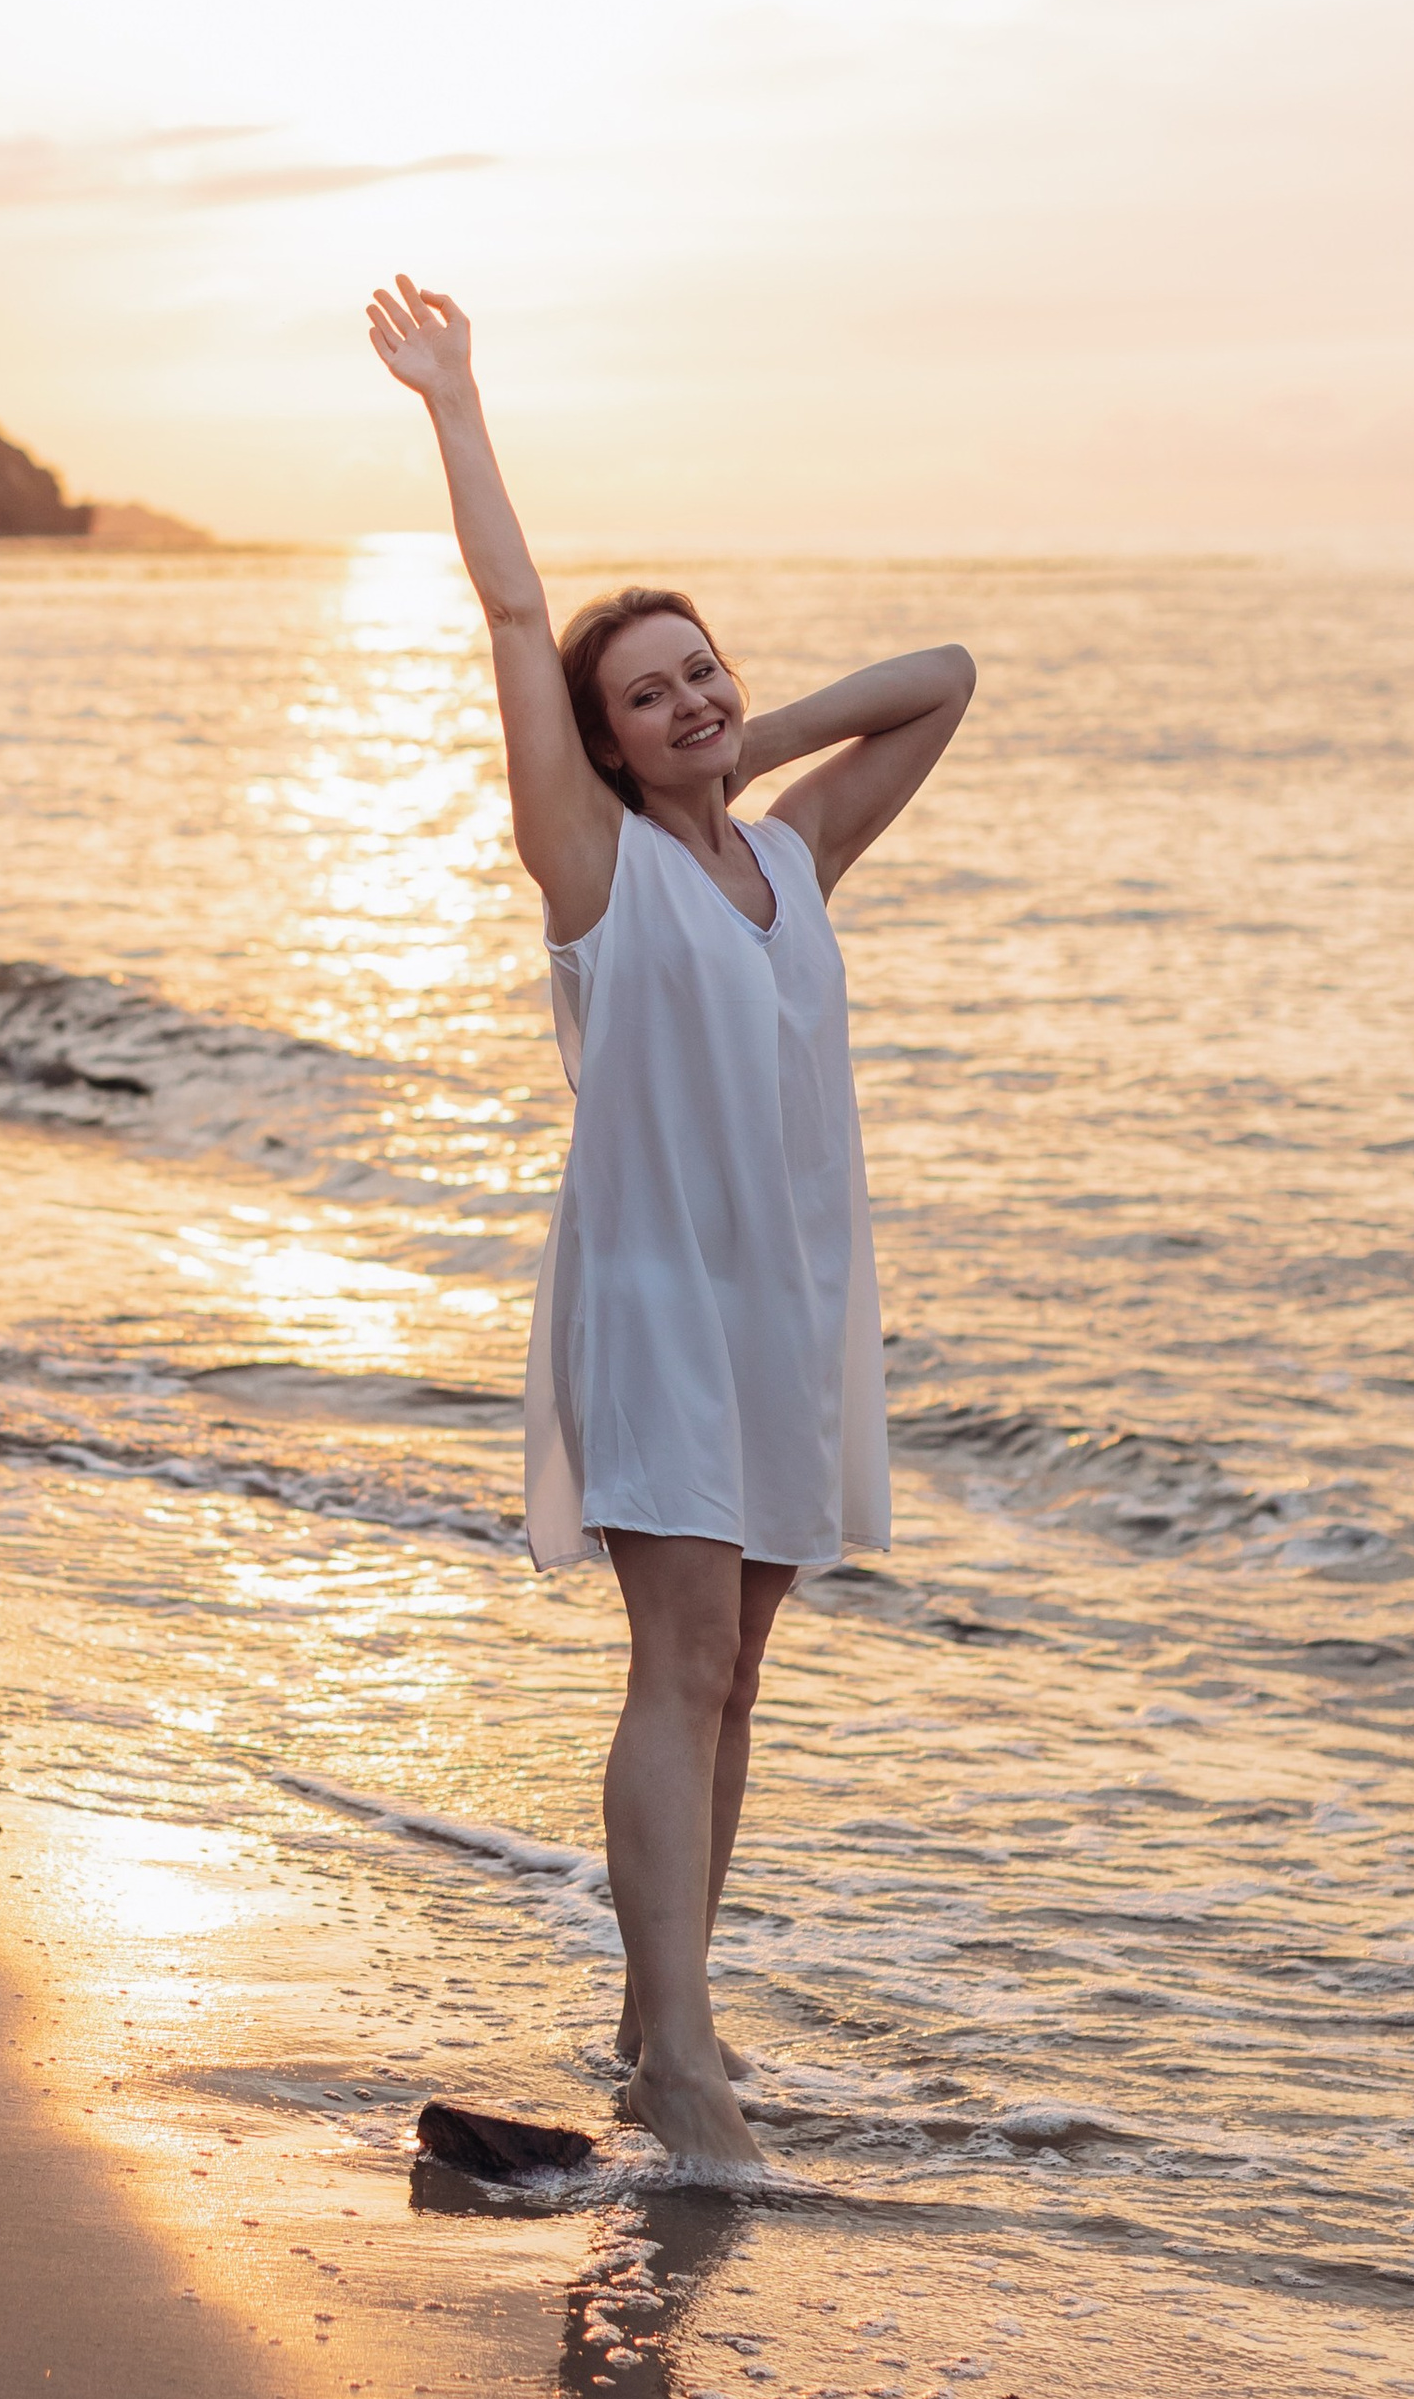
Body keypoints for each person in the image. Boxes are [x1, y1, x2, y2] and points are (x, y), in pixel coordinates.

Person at [368, 276, 974, 2174]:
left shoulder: (789, 855)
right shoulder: (598, 869)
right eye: (656, 694)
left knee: (743, 1672)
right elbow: (519, 614)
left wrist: (736, 746)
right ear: (597, 747)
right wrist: (460, 408)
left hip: (789, 1313)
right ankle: (689, 2058)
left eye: (705, 673)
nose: (696, 698)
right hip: (650, 1303)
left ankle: (657, 2024)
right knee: (680, 1664)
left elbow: (943, 675)